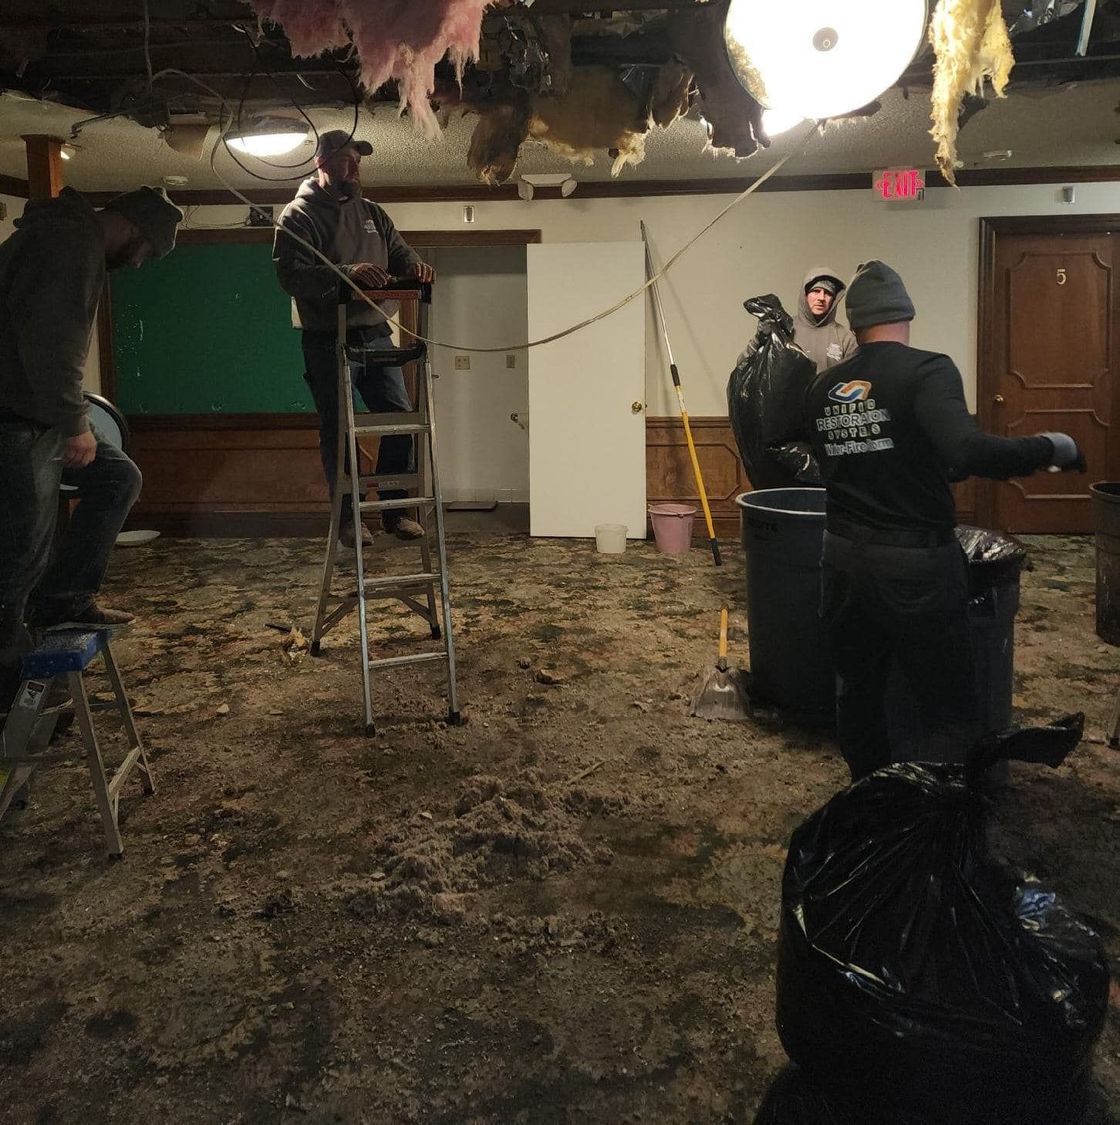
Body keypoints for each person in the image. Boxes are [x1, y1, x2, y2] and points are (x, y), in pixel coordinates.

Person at [803, 260, 1084, 781]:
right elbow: (966, 450)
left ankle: (873, 800)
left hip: (841, 560)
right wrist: (1051, 448)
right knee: (950, 706)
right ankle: (940, 821)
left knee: (858, 690)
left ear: (857, 324)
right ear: (906, 314)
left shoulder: (823, 390)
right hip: (914, 568)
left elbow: (869, 458)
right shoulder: (927, 369)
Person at [0, 184, 184, 710]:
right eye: (146, 249)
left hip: (33, 413)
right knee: (17, 557)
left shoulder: (69, 240)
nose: (142, 262)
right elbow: (50, 340)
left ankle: (63, 600)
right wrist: (73, 422)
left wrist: (66, 415)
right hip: (15, 421)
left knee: (117, 477)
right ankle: (12, 694)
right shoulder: (66, 243)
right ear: (130, 227)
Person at [274, 129, 435, 546]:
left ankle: (395, 512)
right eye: (346, 160)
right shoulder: (298, 216)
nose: (355, 168)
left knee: (400, 417)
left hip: (377, 333)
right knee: (339, 428)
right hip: (329, 340)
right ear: (322, 163)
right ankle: (349, 520)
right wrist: (348, 272)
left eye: (358, 160)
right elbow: (291, 276)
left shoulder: (374, 213)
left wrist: (416, 266)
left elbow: (401, 252)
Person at [794, 266, 856, 372]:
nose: (821, 298)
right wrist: (759, 339)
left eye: (828, 293)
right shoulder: (786, 328)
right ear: (805, 295)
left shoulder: (845, 338)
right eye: (816, 291)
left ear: (834, 299)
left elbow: (854, 379)